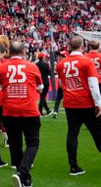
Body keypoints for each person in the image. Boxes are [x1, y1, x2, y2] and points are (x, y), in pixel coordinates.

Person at [55, 35, 101, 176]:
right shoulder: (86, 62)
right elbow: (93, 85)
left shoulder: (61, 63)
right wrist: (98, 103)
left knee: (72, 133)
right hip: (86, 102)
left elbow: (61, 85)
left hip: (70, 103)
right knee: (97, 132)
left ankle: (73, 166)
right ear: (82, 46)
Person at [0, 42, 43, 187]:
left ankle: (23, 178)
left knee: (15, 144)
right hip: (28, 110)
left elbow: (0, 86)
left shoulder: (2, 67)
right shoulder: (32, 66)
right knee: (33, 143)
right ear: (24, 51)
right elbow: (40, 88)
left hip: (9, 110)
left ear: (9, 52)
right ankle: (22, 172)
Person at [35, 52, 52, 116]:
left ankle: (47, 110)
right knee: (42, 97)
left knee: (42, 97)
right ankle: (39, 111)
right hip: (45, 82)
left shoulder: (36, 64)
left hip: (39, 82)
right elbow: (49, 73)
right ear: (43, 57)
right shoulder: (46, 64)